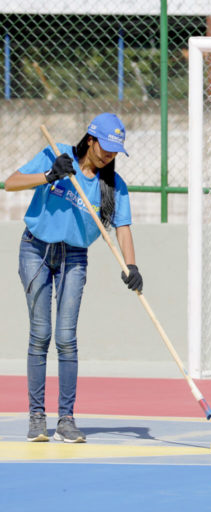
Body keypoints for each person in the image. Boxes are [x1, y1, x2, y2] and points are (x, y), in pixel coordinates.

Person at [4, 113, 142, 444]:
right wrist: (49, 175)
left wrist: (132, 266)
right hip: (35, 250)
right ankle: (37, 417)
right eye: (105, 147)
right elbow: (10, 182)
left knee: (67, 338)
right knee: (40, 334)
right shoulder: (57, 155)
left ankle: (66, 419)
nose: (109, 155)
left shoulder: (113, 186)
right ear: (90, 140)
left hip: (74, 258)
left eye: (114, 150)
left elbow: (123, 228)